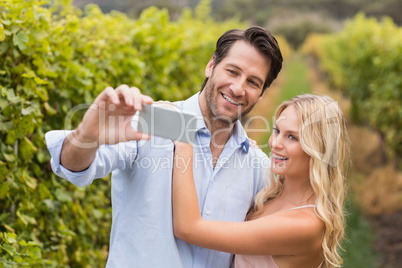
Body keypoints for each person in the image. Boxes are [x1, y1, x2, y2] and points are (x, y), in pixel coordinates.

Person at [45, 26, 283, 267]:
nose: (238, 88)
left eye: (253, 82)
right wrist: (88, 136)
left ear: (261, 94)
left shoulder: (258, 168)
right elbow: (72, 167)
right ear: (211, 65)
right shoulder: (151, 121)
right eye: (232, 71)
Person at [172, 94, 350, 268]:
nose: (275, 143)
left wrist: (184, 143)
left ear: (320, 151)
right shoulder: (272, 192)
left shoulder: (305, 225)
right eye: (277, 131)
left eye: (292, 137)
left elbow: (188, 228)